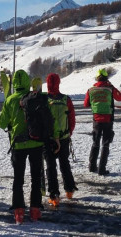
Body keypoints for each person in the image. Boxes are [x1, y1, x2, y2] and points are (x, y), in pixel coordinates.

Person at [0, 70, 52, 224]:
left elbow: (2, 123)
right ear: (28, 82)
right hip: (36, 142)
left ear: (14, 83)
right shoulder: (36, 98)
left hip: (18, 144)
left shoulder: (10, 100)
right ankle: (35, 210)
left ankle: (19, 212)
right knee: (36, 177)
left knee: (18, 178)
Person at [44, 73, 77, 205]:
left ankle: (54, 195)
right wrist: (69, 132)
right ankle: (69, 190)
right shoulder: (66, 99)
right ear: (58, 83)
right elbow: (72, 119)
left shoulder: (43, 99)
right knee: (64, 164)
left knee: (51, 166)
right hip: (63, 137)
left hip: (48, 138)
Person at [83, 69, 121, 176]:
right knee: (105, 144)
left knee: (95, 143)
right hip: (108, 119)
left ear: (97, 78)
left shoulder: (91, 89)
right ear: (107, 78)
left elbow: (86, 104)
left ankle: (92, 167)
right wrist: (113, 87)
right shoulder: (110, 89)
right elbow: (120, 98)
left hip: (96, 119)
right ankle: (102, 169)